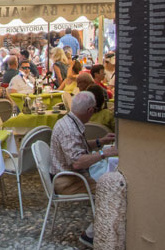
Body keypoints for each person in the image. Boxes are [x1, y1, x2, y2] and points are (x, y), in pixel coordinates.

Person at [50, 91, 117, 248]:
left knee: (106, 177)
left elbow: (79, 148)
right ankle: (90, 235)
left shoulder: (69, 121)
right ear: (90, 111)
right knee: (110, 191)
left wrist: (100, 142)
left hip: (69, 175)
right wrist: (104, 153)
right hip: (67, 181)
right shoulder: (69, 129)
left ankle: (100, 229)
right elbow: (78, 162)